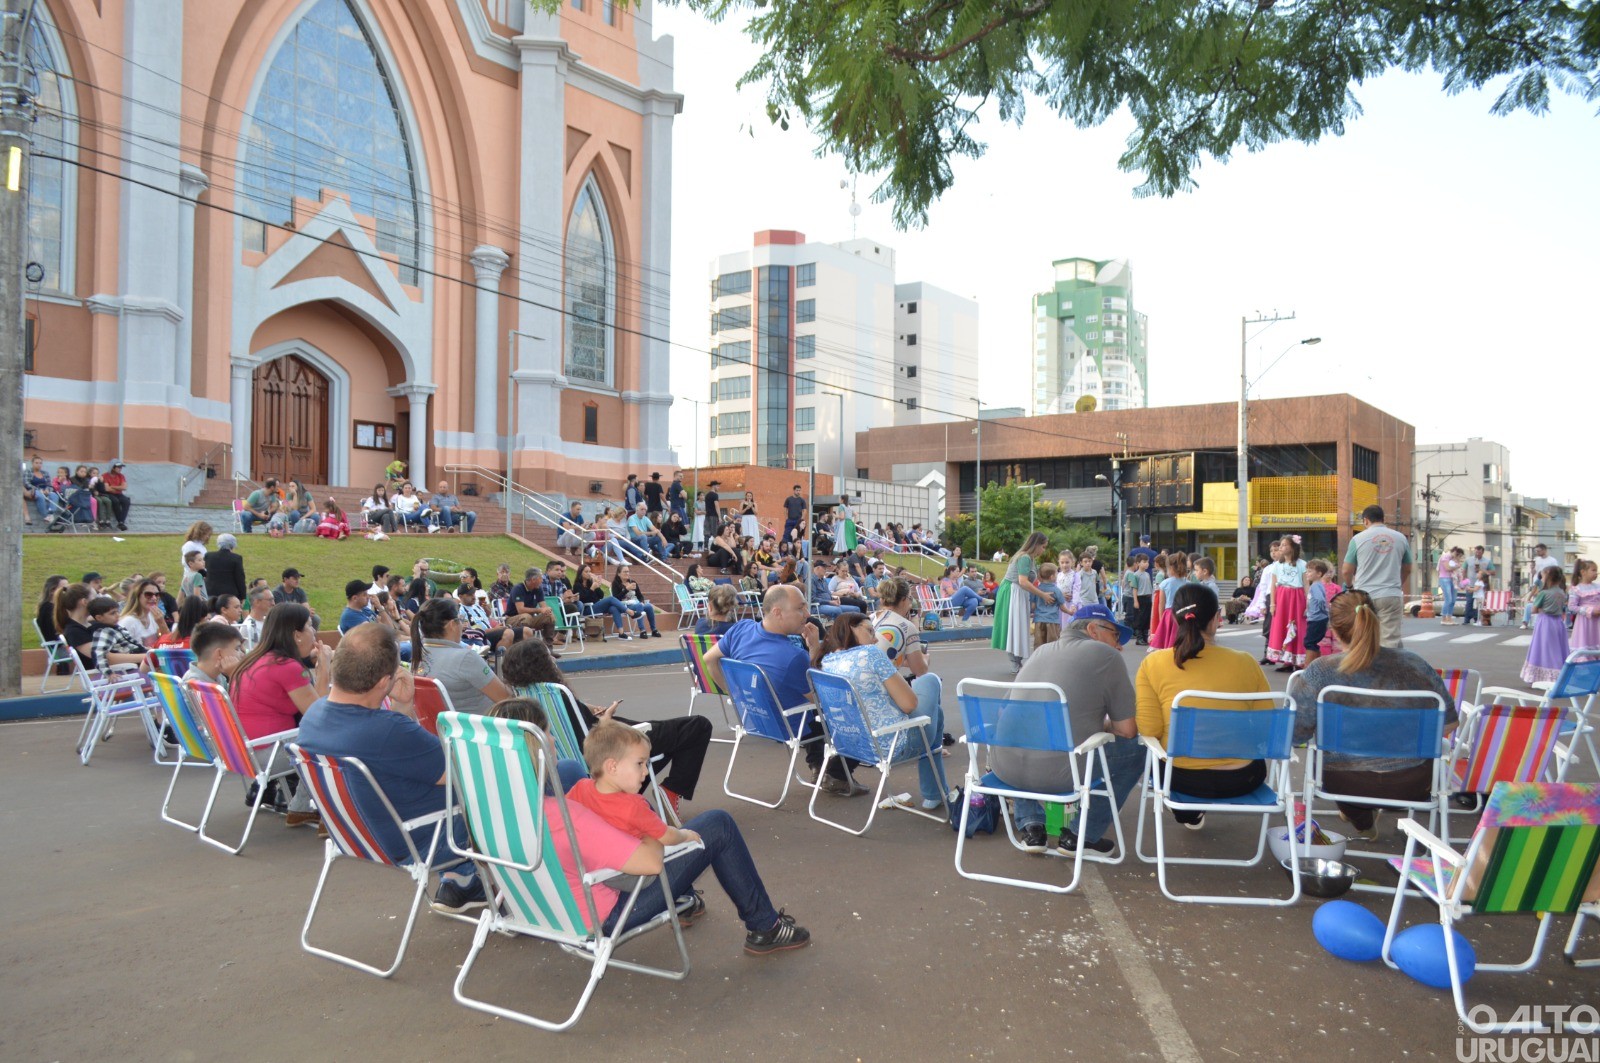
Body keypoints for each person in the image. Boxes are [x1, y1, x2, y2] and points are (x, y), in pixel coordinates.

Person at [490, 697, 808, 954]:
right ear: (532, 746)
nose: (554, 737)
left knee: (594, 784)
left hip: (541, 906)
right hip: (602, 915)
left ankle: (683, 901)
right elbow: (652, 862)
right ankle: (766, 926)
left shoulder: (494, 807)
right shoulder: (562, 814)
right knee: (718, 824)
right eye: (546, 732)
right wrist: (645, 821)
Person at [297, 623, 486, 912]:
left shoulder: (314, 716)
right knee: (549, 776)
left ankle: (459, 881)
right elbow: (467, 775)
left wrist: (403, 705)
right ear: (385, 681)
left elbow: (397, 761)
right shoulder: (386, 731)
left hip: (360, 838)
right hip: (427, 839)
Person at [1290, 589, 1457, 840]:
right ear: (1375, 622)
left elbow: (1294, 732)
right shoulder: (1414, 663)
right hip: (1412, 783)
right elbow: (1449, 723)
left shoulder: (1321, 672)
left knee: (1332, 766)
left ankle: (1361, 819)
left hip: (1343, 783)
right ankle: (1365, 818)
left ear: (1333, 630)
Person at [500, 639, 712, 815]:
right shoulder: (558, 693)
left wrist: (586, 709)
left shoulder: (523, 698)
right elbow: (592, 737)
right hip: (608, 743)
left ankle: (648, 793)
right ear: (543, 665)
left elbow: (573, 725)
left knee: (668, 740)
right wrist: (606, 720)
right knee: (697, 726)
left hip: (590, 749)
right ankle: (671, 790)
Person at [1001, 603, 1143, 852]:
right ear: (1093, 629)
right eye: (1115, 636)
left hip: (1006, 767)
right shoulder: (1107, 656)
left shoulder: (1040, 652)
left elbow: (1012, 711)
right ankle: (1082, 836)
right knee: (1137, 750)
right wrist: (1103, 726)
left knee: (1028, 733)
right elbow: (1128, 730)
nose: (1119, 645)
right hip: (1061, 772)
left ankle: (1032, 826)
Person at [703, 584, 865, 794]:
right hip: (787, 724)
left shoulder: (741, 629)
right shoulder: (792, 656)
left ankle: (818, 766)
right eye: (800, 608)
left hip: (755, 716)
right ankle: (837, 775)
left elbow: (709, 659)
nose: (806, 614)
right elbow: (821, 700)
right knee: (853, 707)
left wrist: (736, 695)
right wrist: (815, 648)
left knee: (805, 704)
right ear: (777, 612)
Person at [1135, 584, 1273, 829]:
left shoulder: (1153, 663)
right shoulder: (1246, 663)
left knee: (1152, 752)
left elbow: (1149, 728)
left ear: (1175, 619)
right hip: (1243, 778)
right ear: (1216, 619)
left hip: (1179, 779)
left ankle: (1187, 812)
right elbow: (1267, 726)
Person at [815, 613, 955, 811]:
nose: (875, 638)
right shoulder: (871, 654)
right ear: (850, 628)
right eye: (870, 630)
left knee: (936, 715)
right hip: (893, 745)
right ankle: (934, 793)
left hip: (852, 744)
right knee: (929, 680)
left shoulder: (827, 662)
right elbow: (909, 704)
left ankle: (936, 793)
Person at [230, 603, 330, 826]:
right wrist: (325, 669)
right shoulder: (286, 667)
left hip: (241, 753)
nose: (313, 631)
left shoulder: (253, 660)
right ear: (296, 635)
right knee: (333, 738)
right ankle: (331, 811)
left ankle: (301, 807)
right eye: (309, 626)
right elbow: (321, 716)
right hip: (269, 754)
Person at [410, 598, 513, 714]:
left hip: (443, 727)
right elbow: (506, 699)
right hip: (482, 726)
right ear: (452, 625)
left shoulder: (417, 656)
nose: (463, 626)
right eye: (460, 620)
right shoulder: (465, 658)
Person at [1341, 505, 1412, 649]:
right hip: (1390, 594)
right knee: (1390, 641)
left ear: (1365, 520)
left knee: (1364, 638)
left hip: (1364, 596)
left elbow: (1346, 571)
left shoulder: (1357, 539)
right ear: (1383, 519)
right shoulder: (1400, 538)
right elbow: (1408, 568)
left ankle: (1365, 669)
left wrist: (1349, 587)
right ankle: (1388, 669)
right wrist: (1397, 584)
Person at [991, 531, 1053, 672]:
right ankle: (1015, 662)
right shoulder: (1024, 558)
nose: (1043, 550)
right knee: (1014, 628)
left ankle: (1016, 662)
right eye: (1043, 547)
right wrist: (1042, 595)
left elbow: (1033, 580)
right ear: (1036, 545)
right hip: (1013, 591)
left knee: (1017, 627)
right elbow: (1023, 581)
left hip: (1018, 592)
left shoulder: (1029, 558)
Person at [1265, 536, 1309, 672]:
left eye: (1284, 545)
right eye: (1281, 545)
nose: (1281, 547)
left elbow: (1306, 585)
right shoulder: (1277, 565)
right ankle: (1286, 661)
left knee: (1297, 627)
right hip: (1282, 597)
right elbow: (1273, 585)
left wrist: (1308, 604)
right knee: (1282, 627)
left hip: (1297, 597)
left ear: (1292, 547)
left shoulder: (1302, 564)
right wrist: (1272, 604)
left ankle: (1297, 660)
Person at [1521, 566, 1571, 685]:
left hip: (1545, 621)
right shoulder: (1562, 593)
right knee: (1557, 648)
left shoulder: (1543, 593)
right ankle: (1559, 674)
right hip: (1558, 622)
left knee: (1542, 647)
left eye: (1543, 576)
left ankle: (1541, 676)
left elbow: (1533, 610)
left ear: (1548, 578)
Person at [86, 596, 152, 674]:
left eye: (117, 611)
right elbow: (98, 653)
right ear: (99, 618)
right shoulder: (105, 632)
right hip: (130, 667)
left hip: (138, 660)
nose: (117, 615)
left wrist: (146, 649)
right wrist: (107, 672)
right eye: (112, 613)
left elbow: (132, 643)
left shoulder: (116, 628)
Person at [1146, 552, 1190, 652]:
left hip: (1169, 614)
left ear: (1170, 568)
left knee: (1168, 641)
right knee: (1182, 639)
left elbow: (1161, 604)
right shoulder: (1188, 584)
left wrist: (1162, 619)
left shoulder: (1165, 583)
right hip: (1184, 614)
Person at [508, 567, 560, 648]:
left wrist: (547, 610)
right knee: (526, 616)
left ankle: (548, 648)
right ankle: (525, 648)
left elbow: (544, 607)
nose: (542, 581)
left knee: (549, 616)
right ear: (533, 579)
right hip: (512, 619)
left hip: (529, 619)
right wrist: (540, 610)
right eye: (540, 578)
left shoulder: (538, 589)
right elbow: (520, 610)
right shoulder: (518, 588)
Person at [182, 621, 244, 689]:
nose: (242, 654)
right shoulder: (195, 685)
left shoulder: (218, 676)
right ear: (219, 653)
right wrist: (234, 675)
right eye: (237, 649)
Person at [119, 579, 171, 647]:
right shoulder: (128, 621)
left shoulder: (152, 616)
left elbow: (169, 643)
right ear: (137, 595)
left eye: (157, 594)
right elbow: (123, 651)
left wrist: (162, 624)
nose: (154, 598)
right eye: (148, 594)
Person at [610, 568, 661, 637]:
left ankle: (654, 629)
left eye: (628, 571)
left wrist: (642, 601)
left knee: (649, 606)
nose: (627, 573)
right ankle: (642, 630)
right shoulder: (615, 584)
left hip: (636, 603)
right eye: (625, 572)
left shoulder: (633, 582)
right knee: (639, 606)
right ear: (619, 574)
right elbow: (616, 599)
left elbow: (640, 595)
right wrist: (626, 589)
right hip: (624, 606)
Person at [1523, 544, 1563, 629]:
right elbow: (1534, 571)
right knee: (1536, 602)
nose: (1537, 552)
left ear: (1544, 550)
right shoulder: (1536, 560)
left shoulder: (1552, 560)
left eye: (1538, 551)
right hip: (1537, 582)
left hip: (1548, 584)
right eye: (1536, 551)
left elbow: (1556, 572)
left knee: (1543, 603)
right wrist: (1532, 569)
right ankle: (1532, 623)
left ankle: (1539, 622)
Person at [1301, 559, 1332, 668]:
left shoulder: (1315, 586)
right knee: (1312, 642)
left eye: (1310, 571)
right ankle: (1317, 666)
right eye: (1307, 571)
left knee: (1309, 643)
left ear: (1319, 574)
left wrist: (1322, 612)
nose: (1307, 573)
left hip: (1316, 619)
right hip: (1317, 618)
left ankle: (1308, 668)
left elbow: (1320, 600)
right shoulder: (1317, 585)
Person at [1029, 562, 1068, 648]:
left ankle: (1038, 660)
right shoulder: (1057, 591)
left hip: (1039, 621)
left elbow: (1033, 606)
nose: (1057, 574)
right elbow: (1063, 608)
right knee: (1052, 645)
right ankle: (1051, 661)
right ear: (1052, 577)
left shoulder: (1037, 590)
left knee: (1039, 644)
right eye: (1056, 573)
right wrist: (1071, 612)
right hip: (1052, 621)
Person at [203, 532, 248, 601]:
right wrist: (243, 596)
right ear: (232, 545)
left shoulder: (209, 556)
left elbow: (205, 573)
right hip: (229, 593)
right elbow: (240, 578)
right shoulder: (236, 558)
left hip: (211, 592)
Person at [1570, 559, 1600, 651]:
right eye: (1593, 570)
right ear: (1583, 572)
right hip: (1585, 621)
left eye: (1596, 570)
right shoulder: (1576, 589)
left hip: (1598, 620)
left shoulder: (1598, 586)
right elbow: (1572, 606)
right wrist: (1590, 610)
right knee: (1585, 644)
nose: (1596, 573)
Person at [1123, 553, 1152, 644]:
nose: (1146, 564)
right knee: (1139, 618)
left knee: (1147, 618)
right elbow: (1134, 589)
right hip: (1140, 598)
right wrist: (1135, 601)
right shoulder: (1135, 575)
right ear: (1138, 563)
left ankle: (1145, 636)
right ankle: (1139, 638)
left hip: (1148, 598)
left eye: (1147, 562)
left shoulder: (1147, 574)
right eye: (1144, 562)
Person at [1461, 545, 1493, 625]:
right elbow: (1464, 570)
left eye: (1479, 552)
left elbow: (1493, 572)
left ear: (1482, 552)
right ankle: (1467, 619)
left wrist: (1482, 571)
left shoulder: (1487, 561)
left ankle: (1477, 618)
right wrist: (1464, 580)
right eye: (1476, 551)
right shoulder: (1468, 560)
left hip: (1482, 585)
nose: (1477, 553)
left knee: (1480, 604)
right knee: (1469, 602)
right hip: (1471, 584)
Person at [236, 586, 274, 652]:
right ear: (257, 602)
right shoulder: (249, 627)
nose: (273, 603)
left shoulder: (269, 621)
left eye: (273, 599)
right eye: (270, 600)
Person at [1436, 546, 1461, 625]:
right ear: (1454, 552)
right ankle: (1443, 618)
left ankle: (1449, 618)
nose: (1457, 556)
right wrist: (1457, 566)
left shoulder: (1453, 559)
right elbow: (1447, 568)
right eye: (1457, 554)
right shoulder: (1446, 556)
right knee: (1448, 599)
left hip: (1452, 578)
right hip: (1444, 578)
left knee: (1453, 599)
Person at [701, 480, 722, 546]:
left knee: (707, 531)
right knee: (715, 531)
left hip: (707, 515)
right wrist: (719, 517)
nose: (719, 488)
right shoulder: (715, 495)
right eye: (718, 486)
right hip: (714, 515)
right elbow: (717, 505)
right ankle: (716, 546)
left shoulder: (707, 495)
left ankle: (706, 546)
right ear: (714, 486)